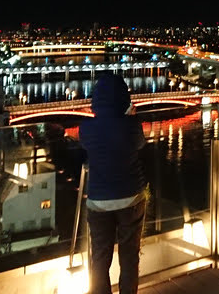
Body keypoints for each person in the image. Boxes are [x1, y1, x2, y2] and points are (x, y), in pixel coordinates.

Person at [79, 74, 147, 294]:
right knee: (129, 257)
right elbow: (139, 144)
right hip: (131, 196)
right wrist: (130, 117)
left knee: (99, 258)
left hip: (99, 201)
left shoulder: (86, 129)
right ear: (124, 99)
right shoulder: (132, 126)